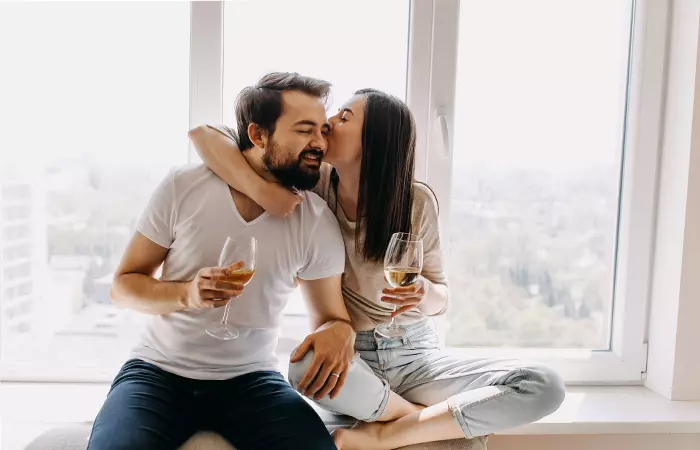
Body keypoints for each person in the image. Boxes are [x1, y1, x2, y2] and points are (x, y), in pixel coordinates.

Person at [190, 87, 566, 450]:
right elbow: (204, 134)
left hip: (416, 358)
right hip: (353, 361)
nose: (328, 122)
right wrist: (264, 192)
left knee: (542, 385)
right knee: (302, 366)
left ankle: (386, 434)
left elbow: (441, 298)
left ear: (374, 141)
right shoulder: (314, 185)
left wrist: (423, 291)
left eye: (344, 116)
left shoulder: (415, 201)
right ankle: (421, 422)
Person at [88, 73, 357, 450]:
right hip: (157, 373)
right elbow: (123, 286)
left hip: (253, 380)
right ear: (259, 135)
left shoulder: (313, 219)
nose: (319, 143)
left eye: (323, 130)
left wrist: (341, 331)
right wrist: (188, 295)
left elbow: (331, 316)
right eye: (304, 130)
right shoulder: (183, 186)